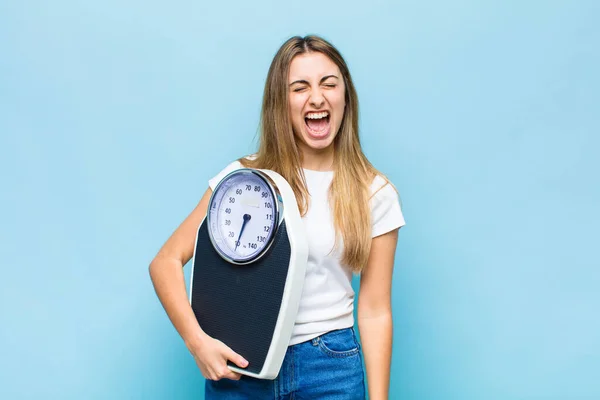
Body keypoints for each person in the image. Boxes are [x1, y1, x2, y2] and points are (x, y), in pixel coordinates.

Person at [149, 35, 406, 400]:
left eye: (328, 84)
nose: (316, 98)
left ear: (345, 97)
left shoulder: (375, 192)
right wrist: (198, 343)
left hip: (330, 370)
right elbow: (165, 262)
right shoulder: (243, 181)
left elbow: (376, 310)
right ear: (280, 104)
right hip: (242, 366)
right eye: (299, 88)